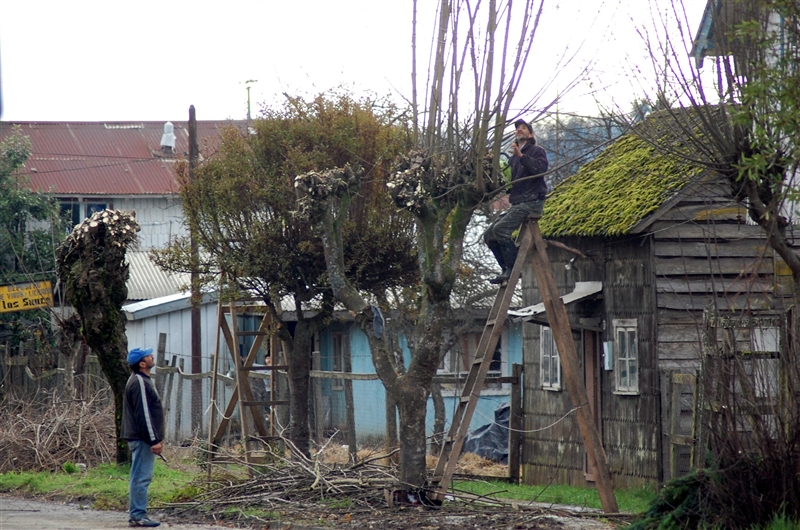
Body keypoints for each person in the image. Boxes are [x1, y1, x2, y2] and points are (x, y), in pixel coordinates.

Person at [484, 119, 549, 284]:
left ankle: (513, 270)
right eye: (517, 128)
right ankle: (506, 268)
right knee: (489, 235)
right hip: (519, 203)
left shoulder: (536, 150)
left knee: (500, 230)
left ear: (531, 134)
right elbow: (512, 183)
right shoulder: (513, 158)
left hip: (532, 202)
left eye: (524, 128)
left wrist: (521, 156)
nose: (519, 130)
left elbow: (540, 169)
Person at [122, 347, 164, 528]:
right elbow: (144, 414)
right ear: (142, 363)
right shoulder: (139, 381)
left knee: (140, 476)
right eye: (148, 356)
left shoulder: (143, 380)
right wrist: (153, 440)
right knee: (141, 477)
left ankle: (138, 513)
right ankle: (138, 515)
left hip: (142, 438)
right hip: (142, 439)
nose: (152, 356)